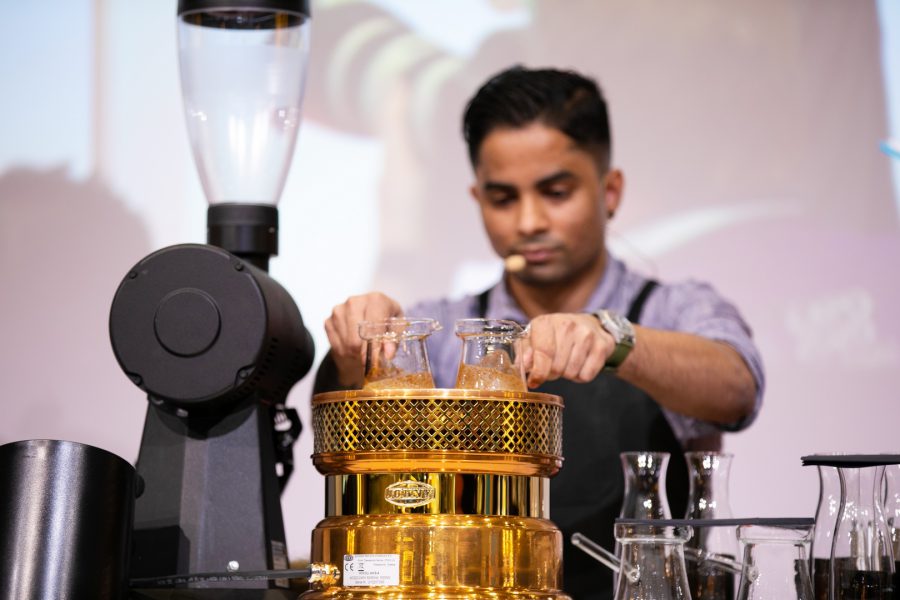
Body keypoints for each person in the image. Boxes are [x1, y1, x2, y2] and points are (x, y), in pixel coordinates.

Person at [314, 66, 764, 600]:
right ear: (477, 199)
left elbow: (738, 388)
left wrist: (613, 339)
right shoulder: (441, 333)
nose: (529, 222)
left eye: (555, 192)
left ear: (610, 191)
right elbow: (352, 429)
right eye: (503, 199)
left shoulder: (673, 308)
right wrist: (357, 348)